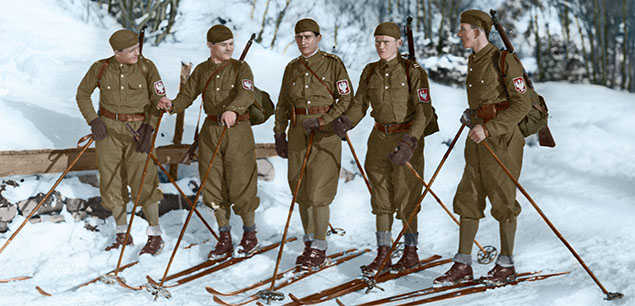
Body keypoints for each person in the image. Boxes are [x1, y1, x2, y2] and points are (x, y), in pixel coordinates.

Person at [433, 10, 532, 286]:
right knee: (468, 196)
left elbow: (521, 104)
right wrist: (473, 115)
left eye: (463, 28)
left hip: (501, 140)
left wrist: (489, 127)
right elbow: (487, 100)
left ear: (478, 31)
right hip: (476, 138)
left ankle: (506, 264)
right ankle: (462, 264)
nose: (459, 33)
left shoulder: (504, 60)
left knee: (503, 200)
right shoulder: (473, 60)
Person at [333, 22, 434, 275]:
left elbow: (424, 111)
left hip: (406, 140)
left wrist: (411, 141)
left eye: (386, 42)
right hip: (378, 139)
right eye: (377, 41)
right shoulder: (369, 71)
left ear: (399, 44)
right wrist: (347, 121)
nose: (381, 46)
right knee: (380, 198)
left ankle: (410, 253)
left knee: (407, 196)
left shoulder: (413, 72)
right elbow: (359, 103)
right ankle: (383, 254)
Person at [157, 25, 260, 258]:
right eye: (224, 45)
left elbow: (247, 94)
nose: (230, 48)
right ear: (210, 46)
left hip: (238, 130)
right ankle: (224, 236)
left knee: (241, 183)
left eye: (232, 44)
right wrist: (172, 105)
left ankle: (249, 235)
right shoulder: (203, 70)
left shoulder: (241, 67)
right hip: (211, 130)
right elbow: (187, 96)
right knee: (213, 185)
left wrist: (233, 109)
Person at [76, 29, 166, 256]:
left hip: (139, 132)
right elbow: (82, 94)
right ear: (117, 53)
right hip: (108, 133)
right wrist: (93, 120)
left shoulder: (147, 67)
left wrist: (149, 127)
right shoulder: (100, 68)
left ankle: (155, 235)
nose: (138, 52)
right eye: (131, 50)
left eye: (138, 47)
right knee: (111, 182)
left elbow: (159, 100)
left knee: (144, 181)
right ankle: (122, 234)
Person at [273, 18, 353, 270]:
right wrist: (279, 134)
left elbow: (346, 98)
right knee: (301, 191)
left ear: (318, 38)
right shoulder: (291, 67)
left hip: (324, 135)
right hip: (298, 133)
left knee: (319, 193)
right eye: (299, 37)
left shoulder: (333, 64)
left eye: (308, 36)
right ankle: (309, 243)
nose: (303, 41)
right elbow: (283, 103)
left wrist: (323, 121)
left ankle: (320, 247)